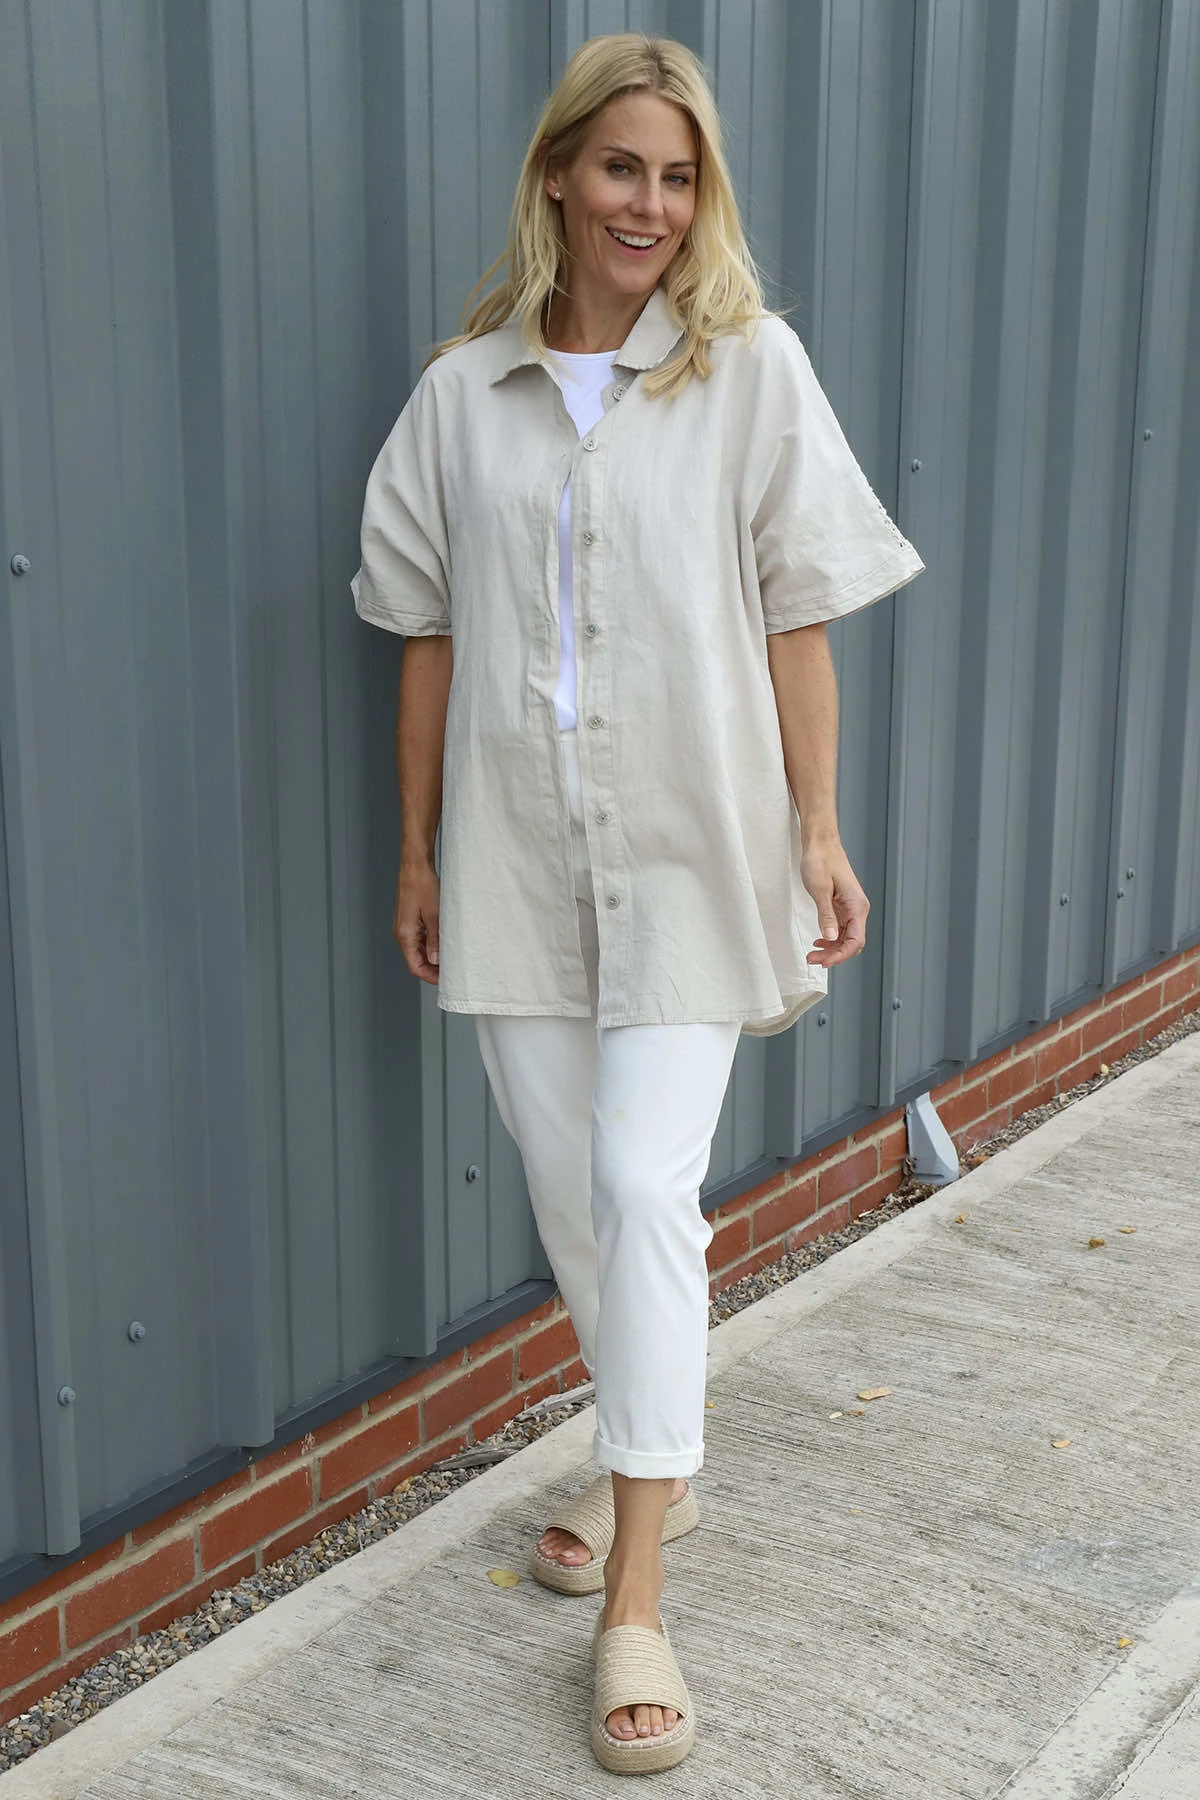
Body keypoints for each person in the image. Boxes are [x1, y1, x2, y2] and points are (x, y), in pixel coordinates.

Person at [352, 31, 924, 1775]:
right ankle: (648, 1461)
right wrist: (419, 851)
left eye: (679, 178)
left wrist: (818, 830)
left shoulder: (751, 375)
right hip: (515, 853)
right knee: (574, 1202)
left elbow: (797, 617)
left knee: (639, 1183)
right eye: (621, 168)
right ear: (557, 175)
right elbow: (427, 638)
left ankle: (640, 1593)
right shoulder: (462, 400)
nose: (650, 206)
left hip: (695, 840)